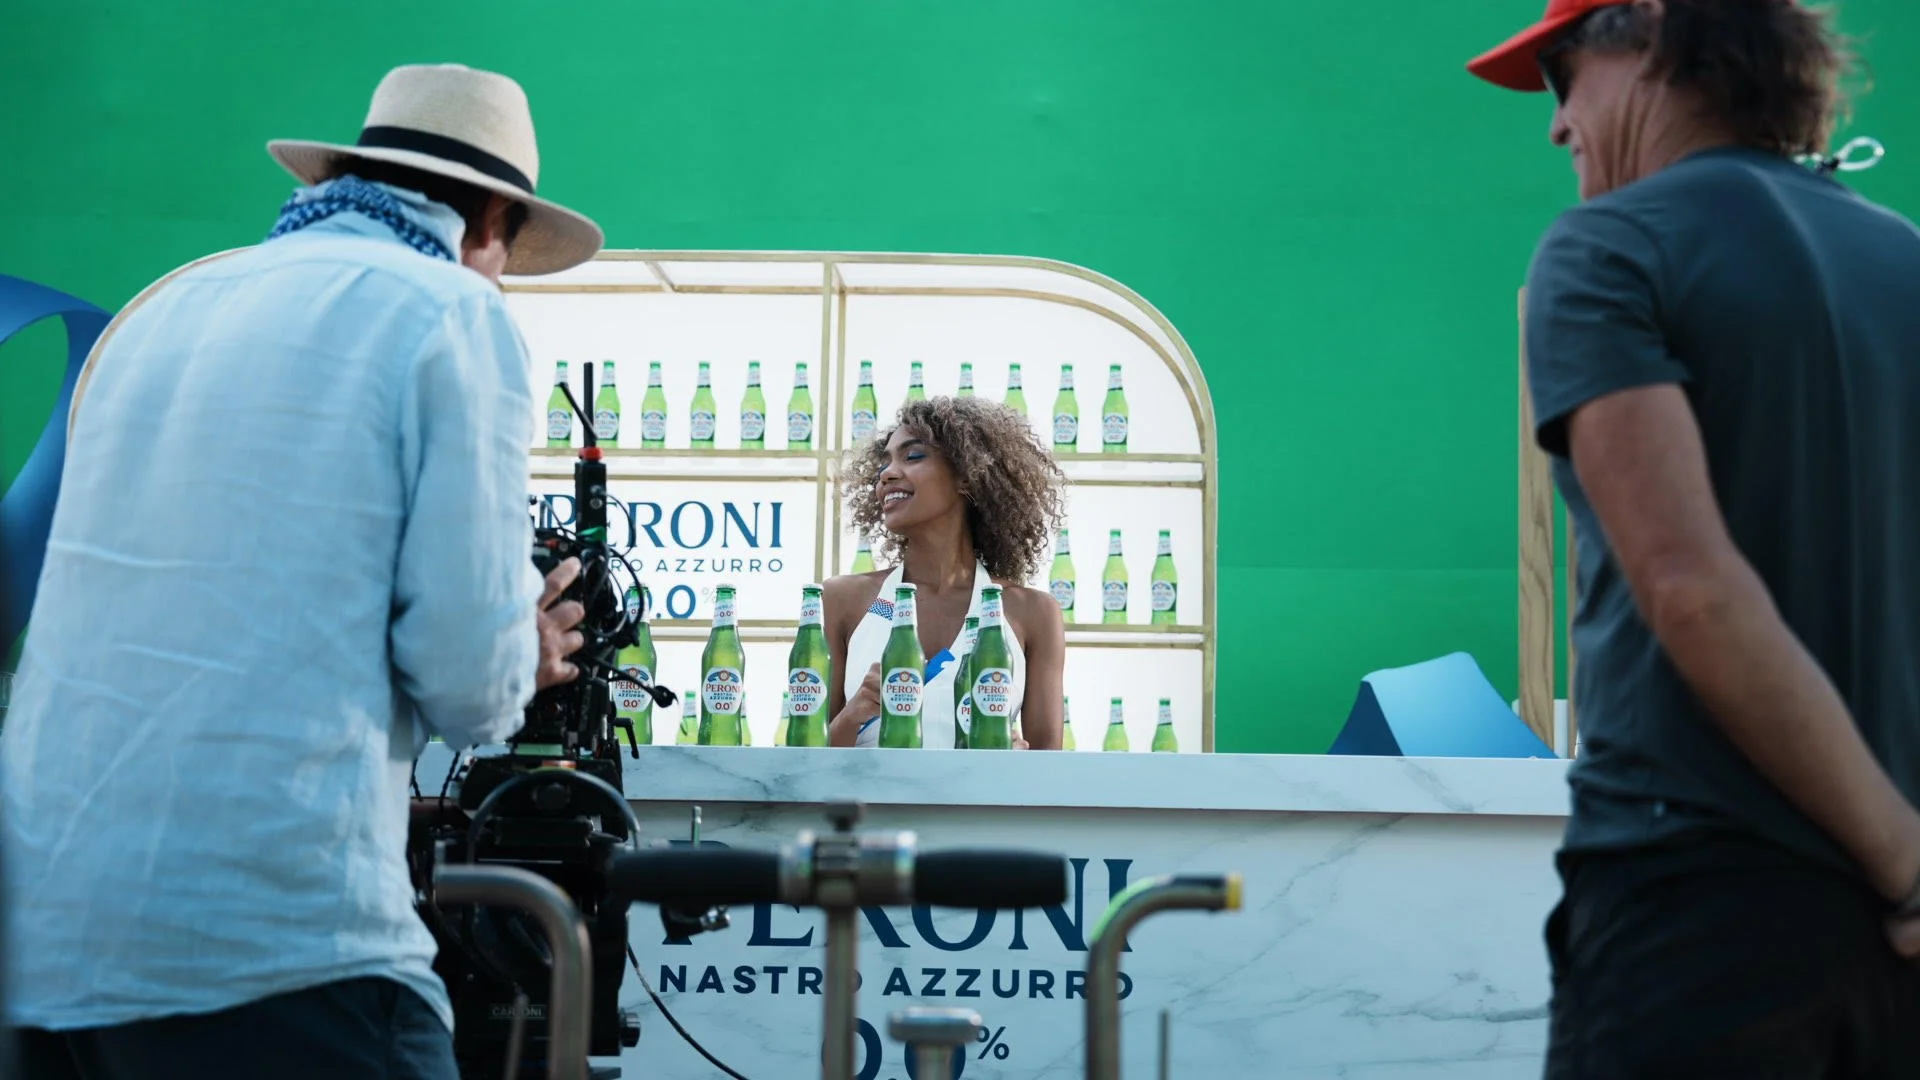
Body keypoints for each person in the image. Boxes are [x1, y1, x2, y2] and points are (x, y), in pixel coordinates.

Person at [1, 64, 604, 1079]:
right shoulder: (452, 314)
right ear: (491, 220)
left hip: (45, 934)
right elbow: (470, 687)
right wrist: (526, 647)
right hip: (270, 935)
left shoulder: (169, 305)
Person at [1467, 1, 1920, 1074]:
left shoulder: (1606, 248)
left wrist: (1902, 860)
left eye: (1560, 73)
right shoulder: (1902, 256)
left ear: (1656, 39)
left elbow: (1691, 588)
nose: (1556, 123)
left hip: (1694, 897)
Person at [824, 396, 1068, 750]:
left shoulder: (1033, 613)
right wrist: (854, 714)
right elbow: (804, 763)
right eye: (884, 463)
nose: (887, 474)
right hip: (868, 807)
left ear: (967, 476)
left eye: (913, 456)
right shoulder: (842, 600)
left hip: (976, 806)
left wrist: (1018, 762)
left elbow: (1050, 772)